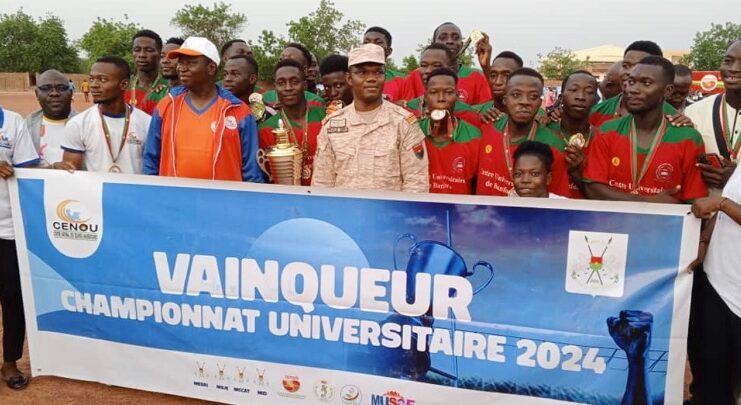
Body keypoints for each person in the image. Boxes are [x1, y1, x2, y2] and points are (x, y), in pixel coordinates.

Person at [583, 56, 707, 203]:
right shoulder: (607, 131)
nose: (633, 89)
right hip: (612, 219)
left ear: (667, 91)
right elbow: (593, 189)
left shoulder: (688, 138)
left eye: (646, 83)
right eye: (631, 82)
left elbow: (694, 201)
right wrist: (649, 202)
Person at [143, 37, 263, 182]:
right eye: (181, 62)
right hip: (173, 196)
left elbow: (251, 171)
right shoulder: (166, 105)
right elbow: (151, 160)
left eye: (191, 63)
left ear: (211, 68)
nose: (182, 68)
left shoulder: (238, 111)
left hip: (223, 197)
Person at [312, 44, 428, 192]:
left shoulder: (404, 123)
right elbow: (322, 184)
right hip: (345, 207)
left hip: (388, 207)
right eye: (362, 73)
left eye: (378, 72)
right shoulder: (332, 126)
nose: (372, 79)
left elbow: (416, 184)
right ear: (349, 78)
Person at [476, 68, 571, 197]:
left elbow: (558, 200)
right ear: (505, 100)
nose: (524, 102)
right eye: (516, 95)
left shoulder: (553, 144)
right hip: (486, 210)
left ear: (540, 103)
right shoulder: (486, 126)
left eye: (533, 96)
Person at [54, 56, 151, 174]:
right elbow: (72, 173)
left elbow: (153, 168)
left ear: (124, 84)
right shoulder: (78, 124)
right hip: (94, 187)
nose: (94, 85)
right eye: (92, 79)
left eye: (103, 79)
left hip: (134, 186)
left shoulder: (147, 123)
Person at [0, 106, 39, 391]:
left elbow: (27, 171)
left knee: (13, 297)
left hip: (8, 227)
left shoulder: (13, 122)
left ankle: (10, 361)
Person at [685, 39, 741, 195]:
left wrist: (736, 178)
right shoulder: (693, 112)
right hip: (702, 207)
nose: (733, 69)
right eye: (728, 61)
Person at [258, 60, 325, 185]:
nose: (288, 88)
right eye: (281, 83)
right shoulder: (266, 129)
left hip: (324, 192)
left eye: (294, 82)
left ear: (304, 84)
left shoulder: (324, 118)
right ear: (275, 87)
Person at [417, 67, 480, 194]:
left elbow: (477, 185)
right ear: (425, 96)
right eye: (434, 92)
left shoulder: (474, 136)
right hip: (419, 205)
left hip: (458, 206)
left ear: (457, 96)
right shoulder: (412, 131)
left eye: (448, 92)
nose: (441, 98)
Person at [589, 41, 679, 127]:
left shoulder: (674, 119)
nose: (630, 72)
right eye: (626, 66)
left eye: (639, 67)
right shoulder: (598, 111)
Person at [405, 22, 492, 105]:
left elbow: (488, 108)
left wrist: (486, 67)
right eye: (443, 38)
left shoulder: (476, 76)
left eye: (455, 38)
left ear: (462, 45)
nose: (450, 41)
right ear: (433, 44)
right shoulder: (417, 76)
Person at [546, 70, 599, 198]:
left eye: (589, 92)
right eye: (574, 90)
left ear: (595, 100)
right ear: (560, 97)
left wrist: (579, 172)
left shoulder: (602, 138)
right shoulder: (545, 129)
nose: (580, 97)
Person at [403, 44, 481, 127]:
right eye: (424, 65)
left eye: (436, 65)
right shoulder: (408, 109)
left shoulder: (467, 113)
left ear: (451, 69)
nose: (428, 71)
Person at [26, 70, 77, 167]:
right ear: (37, 94)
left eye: (61, 88)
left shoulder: (85, 125)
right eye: (46, 88)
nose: (54, 93)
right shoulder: (25, 127)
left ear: (71, 93)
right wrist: (52, 169)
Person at [261, 43, 325, 108]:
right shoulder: (264, 98)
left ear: (305, 70)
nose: (284, 63)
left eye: (290, 60)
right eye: (281, 59)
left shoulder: (317, 103)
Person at [125, 29, 169, 115]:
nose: (142, 55)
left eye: (149, 50)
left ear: (160, 53)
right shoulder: (123, 86)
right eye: (137, 50)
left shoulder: (170, 88)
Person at [474, 50, 525, 122]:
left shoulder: (537, 117)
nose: (498, 82)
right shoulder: (473, 113)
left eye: (506, 75)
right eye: (493, 75)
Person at [222, 54, 274, 123]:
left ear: (252, 79)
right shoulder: (216, 108)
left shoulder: (267, 114)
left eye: (235, 74)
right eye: (225, 74)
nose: (227, 79)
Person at [363, 26, 407, 101]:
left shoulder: (404, 81)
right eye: (366, 42)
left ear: (388, 51)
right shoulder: (350, 79)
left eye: (378, 43)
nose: (371, 46)